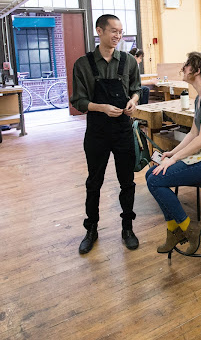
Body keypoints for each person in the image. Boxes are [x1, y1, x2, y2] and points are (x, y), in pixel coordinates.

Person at [145, 52, 201, 254]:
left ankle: (187, 227)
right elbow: (194, 133)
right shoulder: (200, 97)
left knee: (155, 180)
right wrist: (171, 153)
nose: (183, 69)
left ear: (197, 70)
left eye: (186, 65)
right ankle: (175, 230)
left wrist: (175, 159)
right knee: (151, 174)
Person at [70, 14, 142, 254]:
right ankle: (91, 229)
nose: (118, 36)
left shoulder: (129, 61)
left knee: (127, 182)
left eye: (121, 31)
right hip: (97, 131)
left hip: (122, 129)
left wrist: (133, 101)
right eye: (113, 31)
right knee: (94, 182)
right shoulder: (83, 64)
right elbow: (78, 101)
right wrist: (101, 107)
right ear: (99, 31)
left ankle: (128, 228)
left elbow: (136, 90)